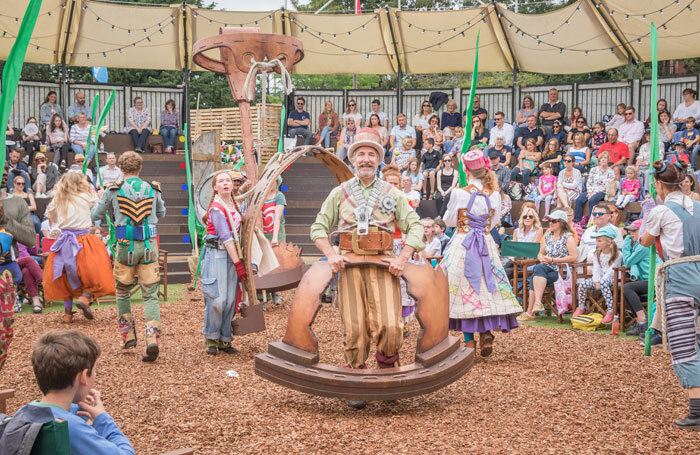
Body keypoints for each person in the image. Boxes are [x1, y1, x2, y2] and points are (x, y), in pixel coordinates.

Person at [309, 127, 424, 409]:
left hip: (384, 264)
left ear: (378, 159)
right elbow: (318, 228)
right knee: (355, 325)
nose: (366, 159)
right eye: (360, 153)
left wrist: (403, 256)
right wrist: (330, 254)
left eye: (371, 154)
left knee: (390, 324)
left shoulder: (392, 193)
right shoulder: (339, 193)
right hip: (348, 264)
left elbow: (416, 226)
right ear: (353, 158)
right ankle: (357, 377)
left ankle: (387, 374)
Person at [0, 330, 135, 454]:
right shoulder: (70, 428)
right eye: (94, 371)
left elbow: (53, 413)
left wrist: (77, 409)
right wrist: (102, 418)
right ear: (83, 377)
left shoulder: (23, 413)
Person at [640, 158, 700, 430]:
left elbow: (645, 240)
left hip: (680, 278)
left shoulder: (662, 211)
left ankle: (697, 410)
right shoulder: (698, 207)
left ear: (659, 185)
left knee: (683, 343)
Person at [441, 149, 520, 356]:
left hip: (463, 241)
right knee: (485, 288)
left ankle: (469, 342)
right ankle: (485, 333)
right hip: (485, 242)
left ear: (466, 170)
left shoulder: (458, 192)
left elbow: (449, 221)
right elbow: (493, 223)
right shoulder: (494, 195)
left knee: (460, 288)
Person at [91, 152, 165, 362]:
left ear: (121, 169)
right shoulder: (153, 188)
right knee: (150, 294)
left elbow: (95, 215)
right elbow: (162, 213)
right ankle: (152, 338)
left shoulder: (112, 189)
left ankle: (127, 336)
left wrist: (100, 200)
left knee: (122, 291)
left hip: (124, 247)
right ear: (140, 168)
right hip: (149, 246)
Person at [44, 172, 114, 323]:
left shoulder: (58, 199)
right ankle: (85, 297)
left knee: (64, 277)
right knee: (95, 273)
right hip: (83, 241)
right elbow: (98, 204)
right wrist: (99, 193)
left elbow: (50, 216)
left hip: (64, 241)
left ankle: (68, 314)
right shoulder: (85, 196)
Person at [200, 171, 245, 355]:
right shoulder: (217, 208)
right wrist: (238, 263)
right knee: (216, 298)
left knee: (230, 299)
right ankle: (211, 337)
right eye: (221, 181)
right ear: (215, 186)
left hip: (230, 255)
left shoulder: (235, 204)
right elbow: (226, 237)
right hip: (217, 253)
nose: (226, 183)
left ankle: (225, 339)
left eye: (228, 180)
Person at [518, 209, 577, 321]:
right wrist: (542, 258)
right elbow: (540, 253)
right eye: (550, 220)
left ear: (562, 223)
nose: (550, 223)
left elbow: (574, 257)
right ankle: (537, 305)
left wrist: (553, 260)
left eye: (554, 221)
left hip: (561, 272)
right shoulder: (548, 236)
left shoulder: (568, 237)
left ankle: (531, 312)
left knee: (537, 272)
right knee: (538, 271)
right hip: (547, 269)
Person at [572, 225, 621, 323]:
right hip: (599, 280)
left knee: (603, 283)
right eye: (597, 241)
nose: (597, 243)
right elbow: (596, 269)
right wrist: (596, 280)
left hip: (614, 280)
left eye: (599, 241)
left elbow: (612, 270)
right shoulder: (597, 253)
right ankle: (581, 307)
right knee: (583, 284)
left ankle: (610, 311)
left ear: (608, 242)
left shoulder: (618, 254)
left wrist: (601, 281)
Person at [620, 219, 652, 337]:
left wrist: (626, 243)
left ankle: (643, 321)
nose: (631, 234)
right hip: (648, 280)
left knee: (627, 288)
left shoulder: (643, 246)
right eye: (630, 232)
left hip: (656, 281)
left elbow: (628, 261)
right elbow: (631, 261)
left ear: (643, 231)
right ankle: (641, 323)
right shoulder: (641, 245)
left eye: (634, 231)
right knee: (626, 290)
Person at [575, 152, 615, 223]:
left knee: (592, 200)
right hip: (591, 191)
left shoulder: (610, 172)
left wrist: (595, 192)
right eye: (601, 158)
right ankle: (577, 220)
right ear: (599, 160)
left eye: (605, 158)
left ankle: (590, 221)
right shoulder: (593, 169)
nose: (603, 159)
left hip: (602, 192)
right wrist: (590, 192)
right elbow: (589, 182)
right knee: (579, 199)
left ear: (608, 160)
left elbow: (607, 185)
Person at [17, 242, 43, 313]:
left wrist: (32, 243)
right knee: (29, 259)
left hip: (25, 265)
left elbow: (34, 251)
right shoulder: (5, 235)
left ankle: (36, 302)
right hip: (11, 264)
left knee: (27, 272)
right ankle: (43, 282)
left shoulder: (22, 237)